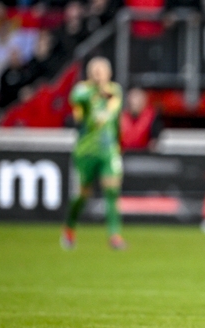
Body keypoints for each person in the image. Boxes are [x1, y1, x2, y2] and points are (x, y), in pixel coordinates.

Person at [61, 56, 126, 250]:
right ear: (89, 73)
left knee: (112, 191)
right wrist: (96, 90)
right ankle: (69, 227)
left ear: (109, 73)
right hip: (86, 150)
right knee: (82, 194)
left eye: (102, 70)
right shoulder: (82, 90)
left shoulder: (114, 91)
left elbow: (112, 113)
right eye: (95, 70)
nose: (99, 74)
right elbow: (77, 102)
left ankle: (114, 236)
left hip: (108, 150)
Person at [119, 87, 163, 151]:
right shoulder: (121, 117)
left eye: (137, 98)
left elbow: (154, 142)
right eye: (132, 98)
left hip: (144, 156)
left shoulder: (153, 117)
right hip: (124, 155)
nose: (134, 102)